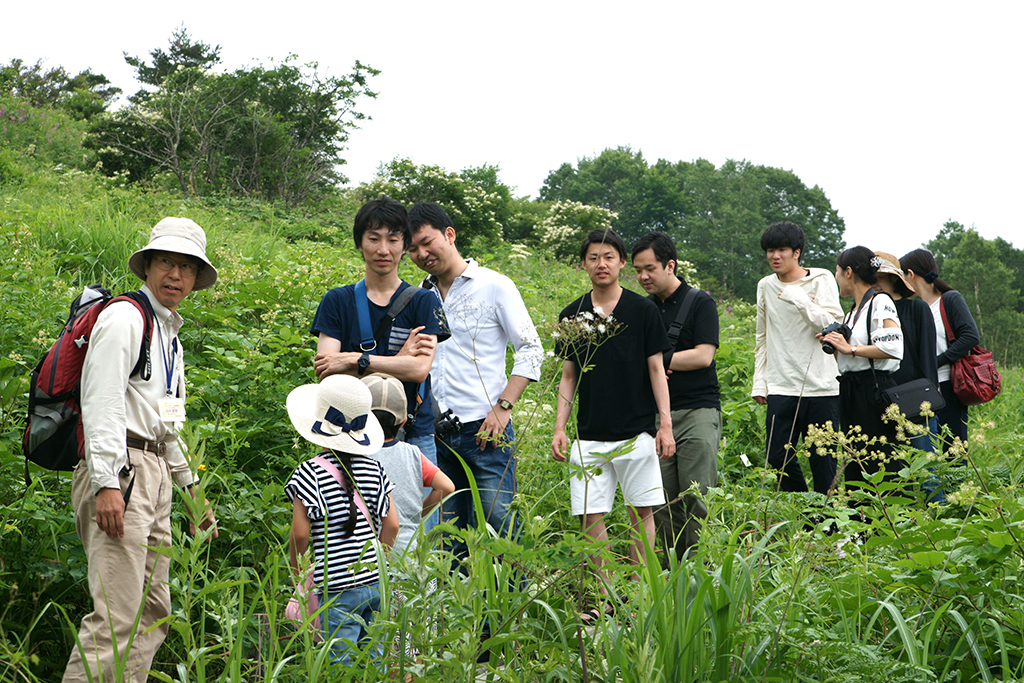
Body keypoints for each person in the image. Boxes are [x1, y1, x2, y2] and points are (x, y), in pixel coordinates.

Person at [64, 217, 219, 683]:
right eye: (167, 263)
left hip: (153, 471)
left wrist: (194, 491)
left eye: (187, 268)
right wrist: (108, 483)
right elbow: (102, 401)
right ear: (148, 266)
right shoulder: (125, 317)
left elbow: (170, 423)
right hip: (122, 471)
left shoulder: (168, 333)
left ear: (196, 278)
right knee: (116, 616)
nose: (176, 275)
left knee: (153, 610)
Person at [407, 202, 543, 553]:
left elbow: (530, 349)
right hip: (434, 435)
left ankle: (511, 606)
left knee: (502, 528)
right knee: (447, 538)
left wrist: (503, 408)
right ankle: (457, 608)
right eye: (413, 249)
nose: (422, 254)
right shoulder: (419, 296)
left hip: (485, 432)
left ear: (449, 235)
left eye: (427, 242)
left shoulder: (494, 286)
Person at [551, 228, 673, 622]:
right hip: (589, 434)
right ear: (582, 264)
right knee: (591, 516)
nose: (600, 264)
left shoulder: (643, 310)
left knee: (643, 513)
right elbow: (568, 375)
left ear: (622, 263)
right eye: (592, 258)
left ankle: (639, 597)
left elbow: (657, 369)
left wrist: (664, 425)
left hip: (637, 431)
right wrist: (559, 427)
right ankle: (601, 600)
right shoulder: (572, 314)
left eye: (608, 257)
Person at [311, 197, 449, 530]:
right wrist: (397, 359)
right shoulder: (338, 300)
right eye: (373, 238)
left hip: (412, 433)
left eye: (392, 239)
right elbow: (326, 372)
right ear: (360, 243)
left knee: (412, 539)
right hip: (350, 432)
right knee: (350, 531)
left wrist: (355, 360)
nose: (383, 249)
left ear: (405, 246)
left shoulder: (424, 301)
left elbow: (418, 370)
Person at [285, 374, 399, 666]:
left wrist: (298, 573)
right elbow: (393, 525)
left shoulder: (309, 473)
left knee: (341, 665)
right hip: (376, 584)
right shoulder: (375, 470)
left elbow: (299, 535)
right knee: (375, 662)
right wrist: (379, 562)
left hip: (335, 589)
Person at [631, 232, 720, 562]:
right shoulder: (641, 308)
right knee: (661, 501)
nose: (643, 277)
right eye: (638, 270)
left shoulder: (700, 302)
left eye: (650, 268)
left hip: (698, 410)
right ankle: (669, 577)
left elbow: (702, 356)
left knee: (697, 497)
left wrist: (657, 361)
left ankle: (701, 574)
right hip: (654, 417)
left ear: (670, 265)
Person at [753, 221, 845, 495]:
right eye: (770, 250)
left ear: (797, 252)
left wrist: (799, 298)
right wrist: (760, 382)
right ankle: (806, 512)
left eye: (781, 250)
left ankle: (825, 525)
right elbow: (762, 337)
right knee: (777, 458)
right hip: (782, 386)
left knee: (824, 461)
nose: (775, 257)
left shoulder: (821, 278)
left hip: (823, 387)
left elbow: (832, 325)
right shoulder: (765, 286)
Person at [817, 246, 904, 490]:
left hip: (874, 390)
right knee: (855, 463)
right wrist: (835, 346)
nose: (836, 278)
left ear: (848, 272)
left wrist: (849, 349)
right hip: (851, 390)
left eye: (836, 271)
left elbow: (894, 348)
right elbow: (848, 362)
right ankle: (861, 524)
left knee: (879, 460)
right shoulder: (851, 313)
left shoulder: (880, 302)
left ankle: (885, 521)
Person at [361, 373, 455, 558]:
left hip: (371, 560)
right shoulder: (413, 454)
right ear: (404, 421)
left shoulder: (356, 454)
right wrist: (416, 514)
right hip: (411, 557)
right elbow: (447, 487)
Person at [899, 248, 981, 448]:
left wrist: (935, 362)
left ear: (910, 274)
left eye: (901, 275)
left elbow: (970, 337)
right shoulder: (917, 307)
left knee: (954, 451)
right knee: (928, 455)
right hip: (924, 388)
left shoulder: (949, 299)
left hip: (949, 385)